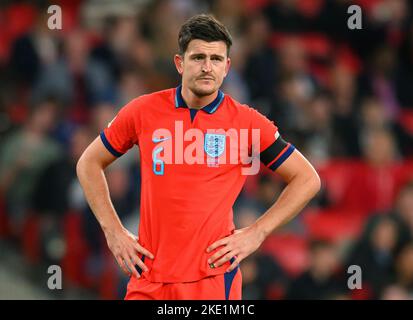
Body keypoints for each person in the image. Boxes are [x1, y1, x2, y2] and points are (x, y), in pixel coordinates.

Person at [76, 14, 320, 300]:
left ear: (227, 67)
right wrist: (114, 231)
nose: (207, 67)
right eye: (198, 57)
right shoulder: (143, 111)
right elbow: (88, 162)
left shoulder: (248, 123)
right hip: (148, 277)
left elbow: (307, 179)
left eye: (216, 59)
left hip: (212, 279)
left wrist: (257, 232)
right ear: (180, 63)